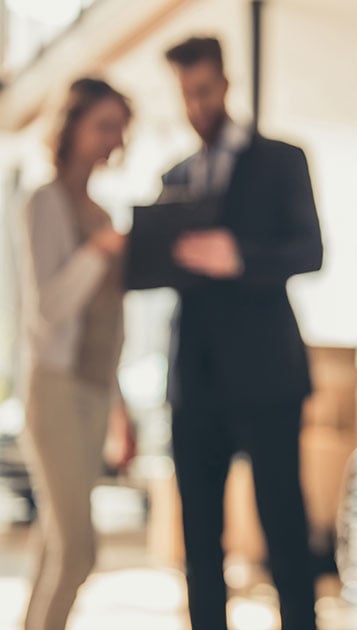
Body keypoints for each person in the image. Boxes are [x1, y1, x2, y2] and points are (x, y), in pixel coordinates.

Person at [161, 37, 323, 630]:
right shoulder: (173, 176)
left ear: (225, 86)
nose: (196, 105)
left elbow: (312, 250)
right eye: (185, 95)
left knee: (283, 528)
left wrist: (240, 258)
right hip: (194, 384)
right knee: (199, 541)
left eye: (203, 90)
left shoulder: (283, 159)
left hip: (268, 378)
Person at [19, 77, 131, 630]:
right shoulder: (45, 201)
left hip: (92, 389)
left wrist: (119, 405)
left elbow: (108, 325)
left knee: (53, 548)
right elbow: (50, 306)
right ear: (72, 128)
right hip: (55, 387)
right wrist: (97, 251)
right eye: (102, 126)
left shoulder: (101, 211)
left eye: (119, 128)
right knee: (79, 552)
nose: (113, 139)